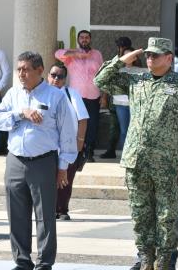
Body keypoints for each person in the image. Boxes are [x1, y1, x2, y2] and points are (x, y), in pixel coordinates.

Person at [94, 37, 178, 270]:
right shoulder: (136, 80)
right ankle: (144, 259)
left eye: (156, 54)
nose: (150, 58)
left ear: (169, 58)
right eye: (148, 54)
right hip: (137, 160)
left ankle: (164, 261)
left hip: (168, 163)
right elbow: (100, 79)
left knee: (166, 217)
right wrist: (123, 59)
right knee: (140, 214)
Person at [0, 51, 78, 270]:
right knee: (16, 215)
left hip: (43, 161)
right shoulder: (13, 94)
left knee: (45, 216)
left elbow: (68, 133)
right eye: (19, 68)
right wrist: (21, 113)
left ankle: (44, 263)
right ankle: (22, 261)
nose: (21, 73)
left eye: (26, 69)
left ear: (40, 71)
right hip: (15, 160)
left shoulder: (55, 96)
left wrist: (63, 168)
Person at [55, 29, 105, 162]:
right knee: (75, 124)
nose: (84, 40)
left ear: (90, 39)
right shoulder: (71, 54)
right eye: (81, 37)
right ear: (78, 40)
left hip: (94, 96)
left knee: (92, 125)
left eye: (87, 37)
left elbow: (103, 74)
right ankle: (77, 152)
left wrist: (104, 95)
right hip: (76, 97)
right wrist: (77, 54)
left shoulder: (97, 54)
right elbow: (57, 54)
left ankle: (89, 152)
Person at [47, 63, 89, 221]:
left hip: (68, 145)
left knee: (65, 179)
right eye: (53, 75)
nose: (56, 79)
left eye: (60, 76)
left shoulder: (71, 94)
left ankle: (62, 209)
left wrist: (80, 141)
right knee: (48, 179)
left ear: (65, 80)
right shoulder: (42, 93)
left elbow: (83, 119)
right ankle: (48, 209)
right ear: (48, 76)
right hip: (47, 146)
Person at [101, 36, 144, 159]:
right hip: (118, 103)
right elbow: (105, 82)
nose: (121, 49)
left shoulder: (140, 69)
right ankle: (123, 154)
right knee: (120, 129)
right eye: (120, 47)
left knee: (134, 130)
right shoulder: (116, 65)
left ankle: (134, 154)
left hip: (134, 104)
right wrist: (104, 97)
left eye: (123, 47)